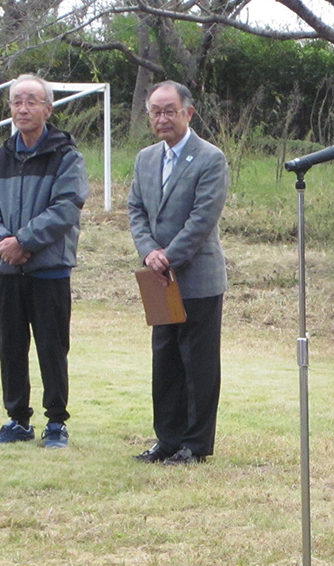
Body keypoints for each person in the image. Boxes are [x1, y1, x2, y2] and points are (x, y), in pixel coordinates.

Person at [0, 74, 89, 449]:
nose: (22, 108)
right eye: (16, 101)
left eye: (31, 101)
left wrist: (24, 241)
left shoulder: (66, 156)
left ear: (48, 109)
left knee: (52, 347)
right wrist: (3, 243)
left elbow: (66, 208)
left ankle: (56, 422)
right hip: (6, 270)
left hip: (49, 268)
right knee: (10, 346)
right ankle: (17, 419)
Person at [128, 81, 229, 466]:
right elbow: (136, 210)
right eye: (155, 112)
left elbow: (202, 219)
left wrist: (168, 256)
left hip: (197, 278)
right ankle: (167, 441)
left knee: (198, 364)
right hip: (159, 280)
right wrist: (148, 252)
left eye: (170, 111)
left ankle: (195, 444)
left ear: (188, 112)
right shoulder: (146, 158)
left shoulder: (210, 158)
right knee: (165, 361)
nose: (162, 118)